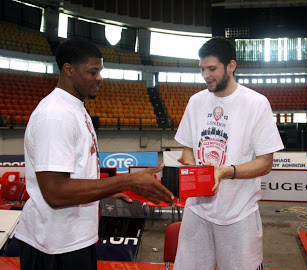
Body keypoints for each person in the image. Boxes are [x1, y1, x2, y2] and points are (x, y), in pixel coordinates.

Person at [15, 37, 174, 270]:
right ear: (68, 70)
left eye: (100, 71)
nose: (100, 78)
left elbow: (75, 176)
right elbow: (55, 192)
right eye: (93, 71)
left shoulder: (75, 108)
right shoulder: (55, 115)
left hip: (74, 240)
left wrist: (111, 188)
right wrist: (126, 181)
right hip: (53, 247)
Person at [173, 37, 284, 270]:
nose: (206, 75)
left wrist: (224, 172)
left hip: (239, 214)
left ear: (231, 66)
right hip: (197, 210)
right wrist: (193, 168)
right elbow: (188, 146)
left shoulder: (256, 103)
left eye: (212, 69)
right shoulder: (195, 101)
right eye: (202, 69)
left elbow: (265, 163)